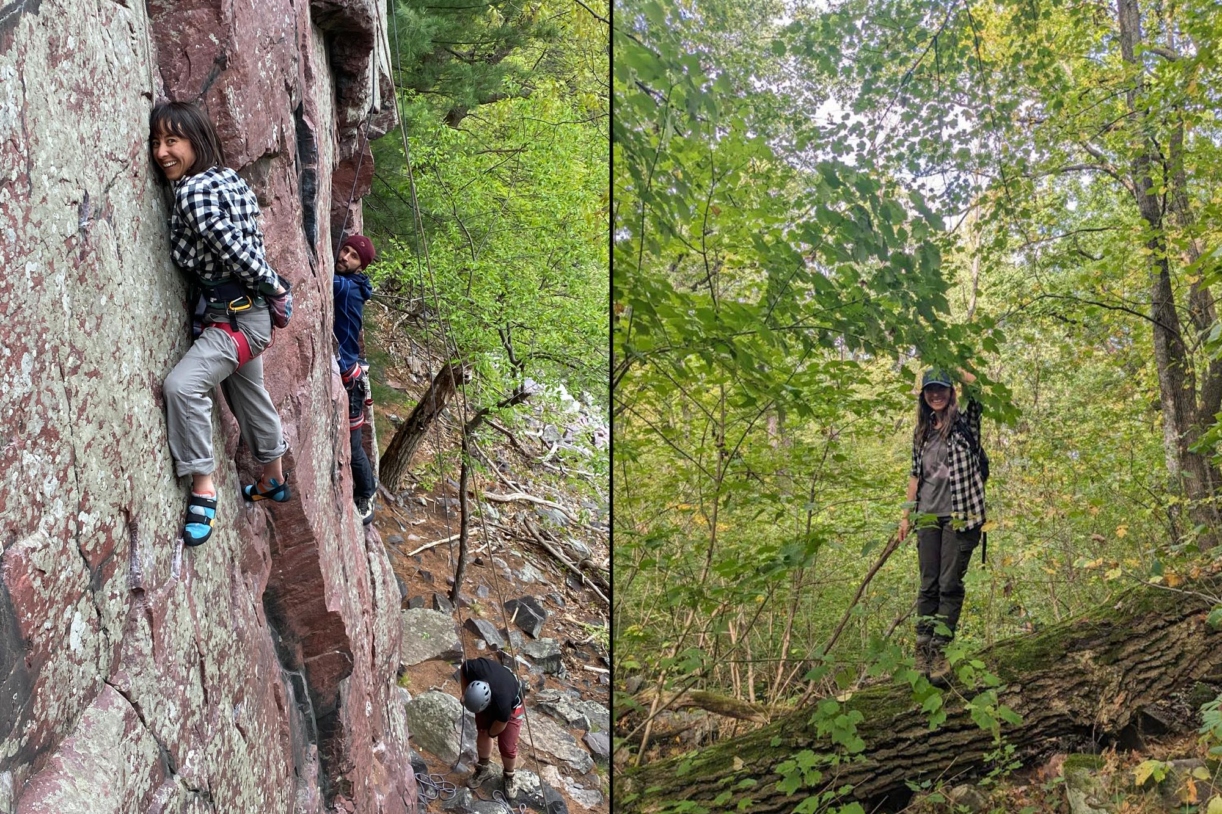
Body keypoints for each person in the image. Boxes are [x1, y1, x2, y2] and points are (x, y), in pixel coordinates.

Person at [150, 101, 294, 547]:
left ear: (196, 141)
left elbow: (236, 250)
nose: (161, 152)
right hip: (247, 317)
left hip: (234, 320)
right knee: (247, 392)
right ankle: (273, 478)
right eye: (157, 142)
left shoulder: (193, 192)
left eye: (172, 141)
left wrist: (276, 288)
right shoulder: (228, 178)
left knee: (183, 386)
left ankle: (203, 490)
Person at [898, 367, 985, 684]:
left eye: (942, 389)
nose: (936, 395)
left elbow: (979, 393)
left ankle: (941, 650)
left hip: (961, 517)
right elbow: (913, 475)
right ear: (923, 395)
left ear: (951, 392)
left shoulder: (965, 425)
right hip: (928, 518)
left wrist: (954, 363)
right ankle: (923, 649)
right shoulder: (922, 431)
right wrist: (906, 516)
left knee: (949, 584)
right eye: (930, 390)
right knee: (928, 584)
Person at [333, 234, 376, 524]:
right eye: (344, 250)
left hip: (350, 378)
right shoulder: (349, 282)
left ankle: (367, 492)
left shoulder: (346, 288)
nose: (345, 257)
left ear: (360, 267)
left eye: (353, 257)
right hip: (347, 370)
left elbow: (325, 283)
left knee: (354, 443)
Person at [460, 657, 525, 798]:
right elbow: (463, 669)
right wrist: (464, 693)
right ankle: (483, 768)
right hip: (491, 693)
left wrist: (490, 733)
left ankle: (509, 775)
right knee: (482, 732)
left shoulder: (503, 703)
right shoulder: (474, 668)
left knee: (507, 746)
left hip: (512, 707)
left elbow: (501, 724)